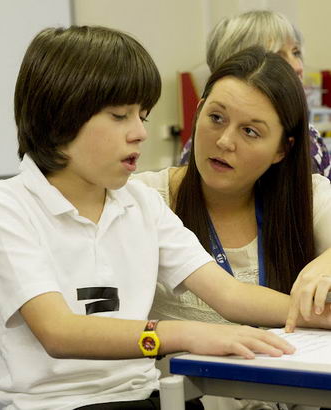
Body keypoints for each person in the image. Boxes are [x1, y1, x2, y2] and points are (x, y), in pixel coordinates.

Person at [0, 25, 327, 410]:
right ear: (61, 116)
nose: (140, 133)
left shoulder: (140, 202)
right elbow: (58, 331)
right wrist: (183, 334)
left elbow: (229, 294)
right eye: (120, 116)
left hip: (147, 397)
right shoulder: (6, 206)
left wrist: (316, 316)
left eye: (142, 116)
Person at [133, 46, 331, 410]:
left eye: (251, 132)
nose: (225, 142)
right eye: (217, 118)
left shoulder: (309, 198)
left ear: (282, 150)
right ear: (198, 111)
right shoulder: (145, 200)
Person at [179, 10, 331, 180]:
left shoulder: (304, 142)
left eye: (296, 52)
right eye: (278, 57)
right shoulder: (197, 148)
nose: (298, 66)